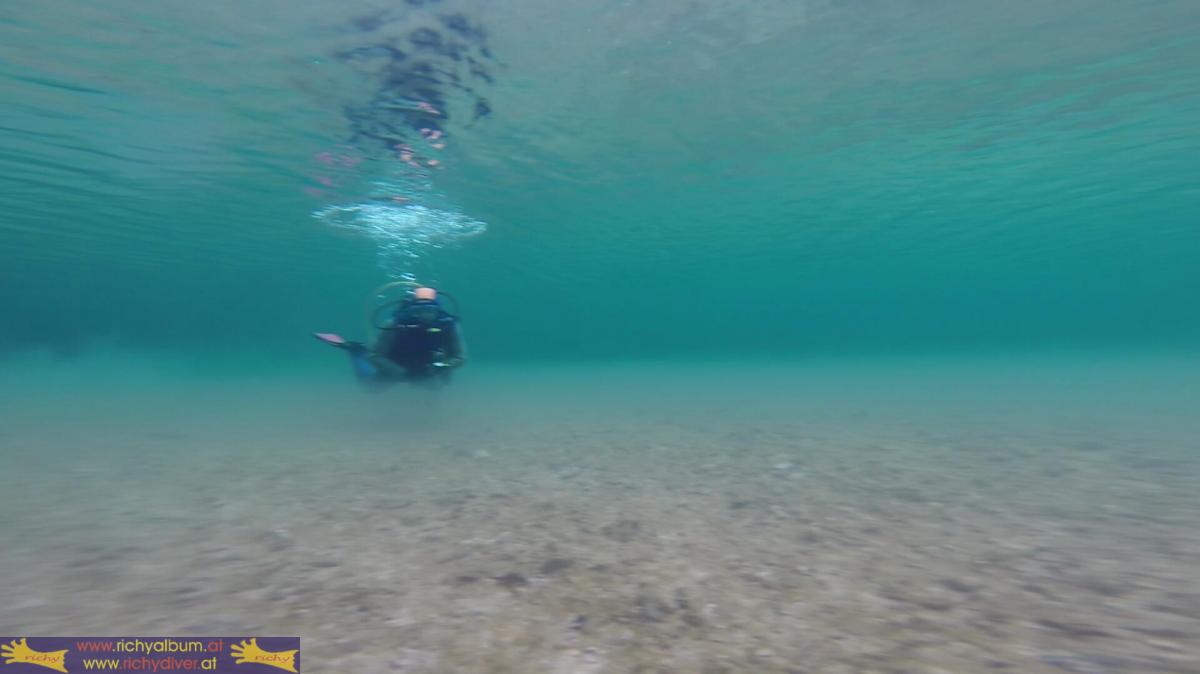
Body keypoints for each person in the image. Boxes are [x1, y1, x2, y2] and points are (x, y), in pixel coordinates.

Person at [314, 285, 465, 386]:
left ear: (438, 310)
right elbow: (375, 356)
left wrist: (441, 367)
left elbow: (459, 357)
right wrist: (401, 374)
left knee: (437, 385)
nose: (424, 315)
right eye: (419, 310)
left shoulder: (448, 324)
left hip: (427, 365)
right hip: (394, 362)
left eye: (430, 310)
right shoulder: (395, 323)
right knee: (370, 387)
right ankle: (357, 350)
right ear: (411, 310)